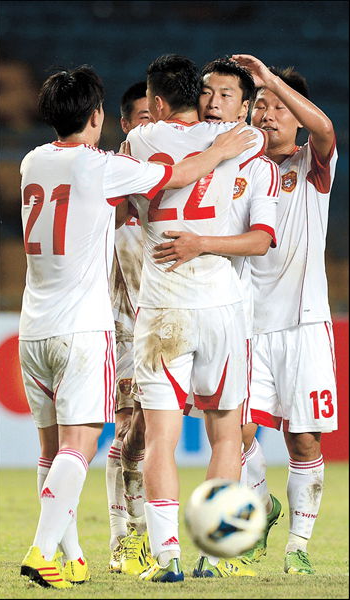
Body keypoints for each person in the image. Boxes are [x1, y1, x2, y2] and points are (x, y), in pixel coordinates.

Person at [18, 64, 248, 589]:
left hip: (33, 326)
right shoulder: (99, 166)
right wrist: (216, 152)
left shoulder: (31, 162)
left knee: (50, 451)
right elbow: (177, 176)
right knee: (79, 444)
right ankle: (40, 549)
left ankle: (70, 558)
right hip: (80, 327)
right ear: (97, 116)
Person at [156, 53, 338, 575]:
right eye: (260, 105)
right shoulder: (235, 166)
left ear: (296, 114)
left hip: (303, 322)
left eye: (279, 106)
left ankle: (298, 547)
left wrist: (270, 80)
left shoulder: (312, 164)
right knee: (235, 432)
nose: (267, 114)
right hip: (244, 322)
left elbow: (324, 128)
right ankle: (260, 508)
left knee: (303, 439)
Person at [123, 53, 272, 583]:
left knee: (163, 437)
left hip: (165, 307)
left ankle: (175, 560)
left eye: (224, 94)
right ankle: (210, 555)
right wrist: (227, 138)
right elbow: (259, 234)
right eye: (207, 93)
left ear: (157, 101)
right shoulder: (250, 148)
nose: (214, 102)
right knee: (226, 436)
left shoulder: (140, 141)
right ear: (196, 95)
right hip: (221, 310)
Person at [106, 81, 152, 575]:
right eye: (141, 119)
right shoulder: (114, 177)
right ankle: (124, 539)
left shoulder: (173, 177)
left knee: (151, 436)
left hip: (174, 323)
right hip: (125, 326)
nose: (149, 128)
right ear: (125, 124)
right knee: (126, 433)